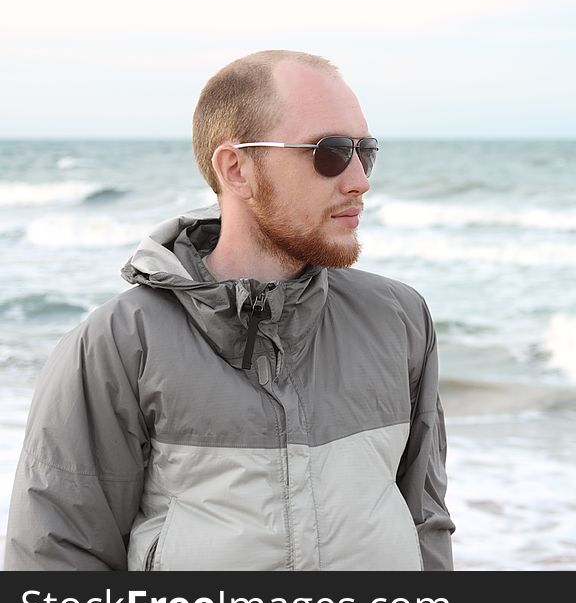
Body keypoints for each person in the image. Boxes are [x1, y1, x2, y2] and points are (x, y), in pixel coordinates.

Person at [4, 50, 454, 571]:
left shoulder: (399, 319)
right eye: (330, 152)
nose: (359, 179)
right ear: (236, 168)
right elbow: (57, 561)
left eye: (364, 151)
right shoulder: (120, 344)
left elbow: (425, 519)